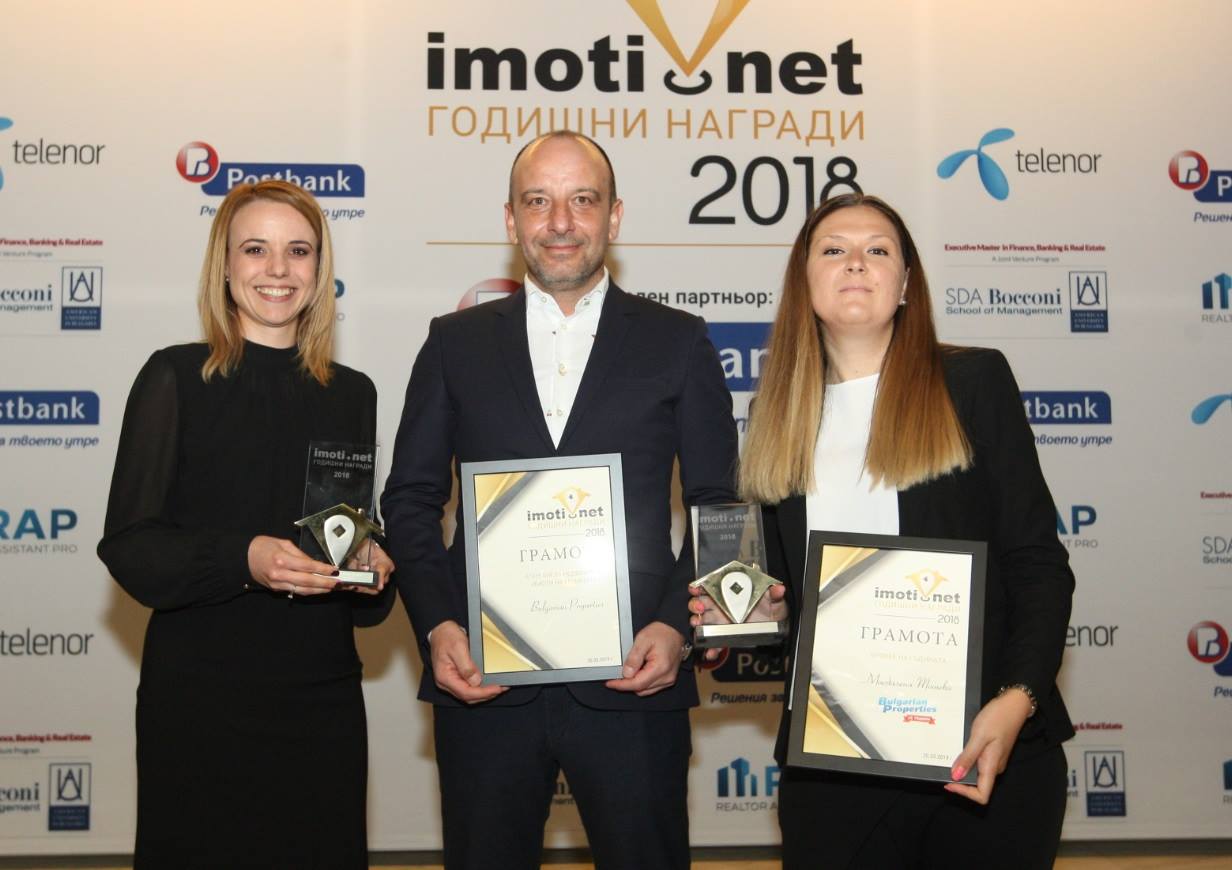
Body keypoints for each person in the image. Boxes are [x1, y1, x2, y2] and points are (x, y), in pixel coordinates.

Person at [381, 131, 737, 870]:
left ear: (615, 217)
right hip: (484, 682)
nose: (561, 222)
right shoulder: (453, 343)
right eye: (538, 201)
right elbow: (410, 500)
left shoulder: (678, 341)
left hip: (636, 679)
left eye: (583, 200)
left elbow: (719, 506)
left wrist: (677, 628)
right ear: (510, 220)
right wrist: (439, 624)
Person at [694, 193, 1075, 868]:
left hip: (980, 743)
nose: (855, 263)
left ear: (905, 284)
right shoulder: (778, 419)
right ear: (804, 281)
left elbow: (1037, 563)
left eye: (877, 249)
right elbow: (783, 607)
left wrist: (1017, 701)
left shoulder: (971, 381)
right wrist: (749, 616)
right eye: (833, 249)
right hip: (832, 762)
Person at [98, 179, 394, 870]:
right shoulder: (175, 377)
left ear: (320, 269)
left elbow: (351, 568)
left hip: (321, 700)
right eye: (255, 249)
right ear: (225, 266)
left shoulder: (352, 393)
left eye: (299, 251)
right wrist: (245, 558)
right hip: (200, 704)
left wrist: (371, 564)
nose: (278, 269)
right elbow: (132, 547)